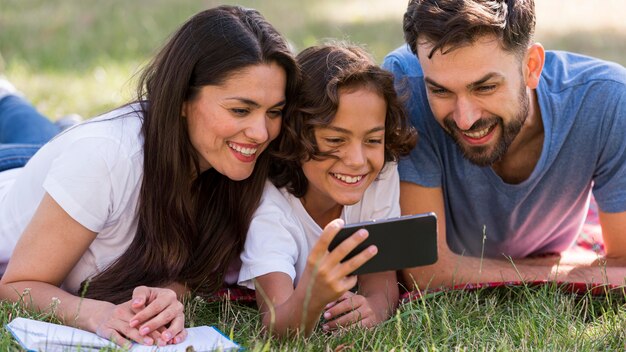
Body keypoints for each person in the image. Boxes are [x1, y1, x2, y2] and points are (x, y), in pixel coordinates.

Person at [0, 5, 298, 348]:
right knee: (17, 115)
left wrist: (167, 296)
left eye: (274, 112)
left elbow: (191, 267)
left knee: (38, 132)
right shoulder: (103, 158)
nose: (261, 133)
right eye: (240, 110)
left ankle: (52, 122)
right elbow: (15, 286)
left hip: (62, 166)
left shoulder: (231, 165)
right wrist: (95, 314)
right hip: (11, 173)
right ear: (183, 98)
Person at [382, 0, 626, 292]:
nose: (464, 119)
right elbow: (426, 272)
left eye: (485, 87)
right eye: (440, 90)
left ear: (531, 67)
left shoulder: (608, 100)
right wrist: (567, 270)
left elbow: (621, 264)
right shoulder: (408, 84)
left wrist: (472, 269)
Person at [238, 43, 417, 337]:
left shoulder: (381, 175)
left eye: (372, 140)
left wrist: (373, 309)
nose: (358, 161)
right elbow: (276, 325)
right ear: (295, 136)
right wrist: (312, 293)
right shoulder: (271, 208)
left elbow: (381, 279)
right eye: (335, 140)